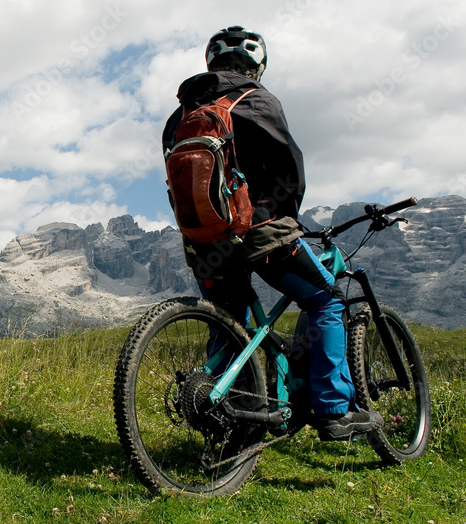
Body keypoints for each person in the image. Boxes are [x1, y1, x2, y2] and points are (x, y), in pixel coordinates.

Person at [161, 25, 382, 441]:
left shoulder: (180, 116)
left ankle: (232, 428)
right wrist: (283, 218)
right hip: (261, 235)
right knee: (328, 300)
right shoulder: (257, 99)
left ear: (211, 63)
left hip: (204, 244)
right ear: (256, 66)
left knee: (228, 325)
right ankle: (335, 410)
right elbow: (289, 172)